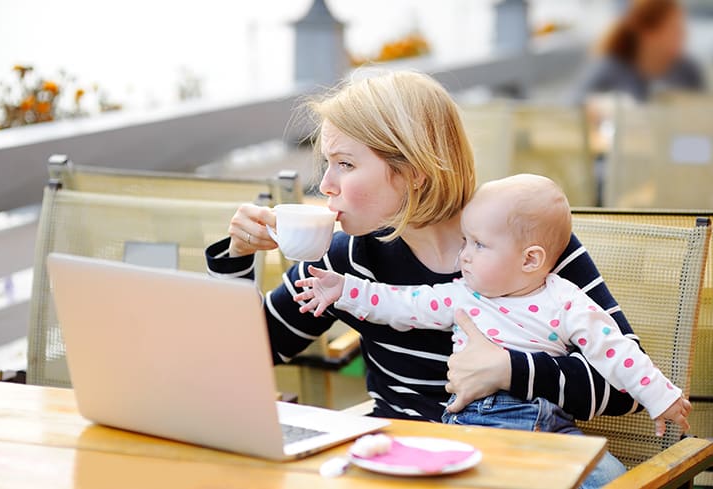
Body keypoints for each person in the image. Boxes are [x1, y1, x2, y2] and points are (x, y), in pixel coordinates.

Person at [206, 70, 631, 486]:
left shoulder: (525, 248)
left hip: (514, 459)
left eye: (345, 164)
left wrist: (509, 369)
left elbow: (623, 387)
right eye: (328, 164)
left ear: (413, 171)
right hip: (395, 466)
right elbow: (243, 359)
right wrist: (237, 256)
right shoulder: (348, 258)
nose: (327, 184)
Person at [292, 173, 691, 437]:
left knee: (602, 476)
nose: (463, 256)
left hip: (542, 422)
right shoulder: (461, 295)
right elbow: (399, 304)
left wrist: (661, 397)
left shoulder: (566, 300)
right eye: (465, 241)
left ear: (530, 259)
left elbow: (617, 353)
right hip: (468, 424)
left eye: (479, 245)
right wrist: (342, 289)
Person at [574, 0, 705, 103]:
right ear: (647, 32)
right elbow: (574, 110)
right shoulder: (609, 70)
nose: (683, 36)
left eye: (682, 30)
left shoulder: (688, 73)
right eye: (674, 30)